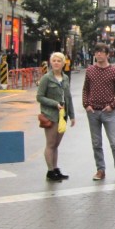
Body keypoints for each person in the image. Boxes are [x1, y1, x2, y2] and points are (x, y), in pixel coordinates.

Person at [82, 43, 115, 182]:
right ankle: (100, 170)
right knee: (96, 143)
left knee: (114, 143)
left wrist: (113, 105)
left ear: (108, 54)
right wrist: (86, 105)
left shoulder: (114, 71)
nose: (99, 54)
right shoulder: (90, 70)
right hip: (93, 111)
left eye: (102, 52)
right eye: (97, 52)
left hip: (108, 112)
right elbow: (85, 89)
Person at [36, 52, 75, 182]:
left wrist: (72, 115)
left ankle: (55, 168)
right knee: (51, 143)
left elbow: (68, 97)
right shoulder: (46, 78)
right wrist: (54, 104)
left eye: (59, 61)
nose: (56, 63)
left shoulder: (65, 78)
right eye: (54, 61)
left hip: (62, 116)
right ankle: (50, 171)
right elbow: (39, 97)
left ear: (64, 63)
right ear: (50, 62)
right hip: (51, 115)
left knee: (56, 144)